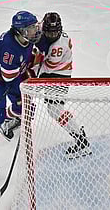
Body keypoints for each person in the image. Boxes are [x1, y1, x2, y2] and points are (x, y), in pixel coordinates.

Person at [0, 11, 41, 182]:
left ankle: (7, 123)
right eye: (31, 28)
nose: (35, 30)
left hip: (10, 77)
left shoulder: (24, 39)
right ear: (20, 30)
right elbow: (9, 78)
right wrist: (29, 81)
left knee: (28, 108)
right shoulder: (9, 48)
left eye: (35, 26)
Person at [32, 12, 91, 159]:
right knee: (52, 108)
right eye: (49, 32)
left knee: (54, 110)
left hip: (59, 75)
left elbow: (48, 66)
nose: (52, 35)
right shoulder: (40, 27)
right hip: (52, 72)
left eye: (55, 32)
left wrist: (32, 67)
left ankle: (81, 140)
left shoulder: (59, 46)